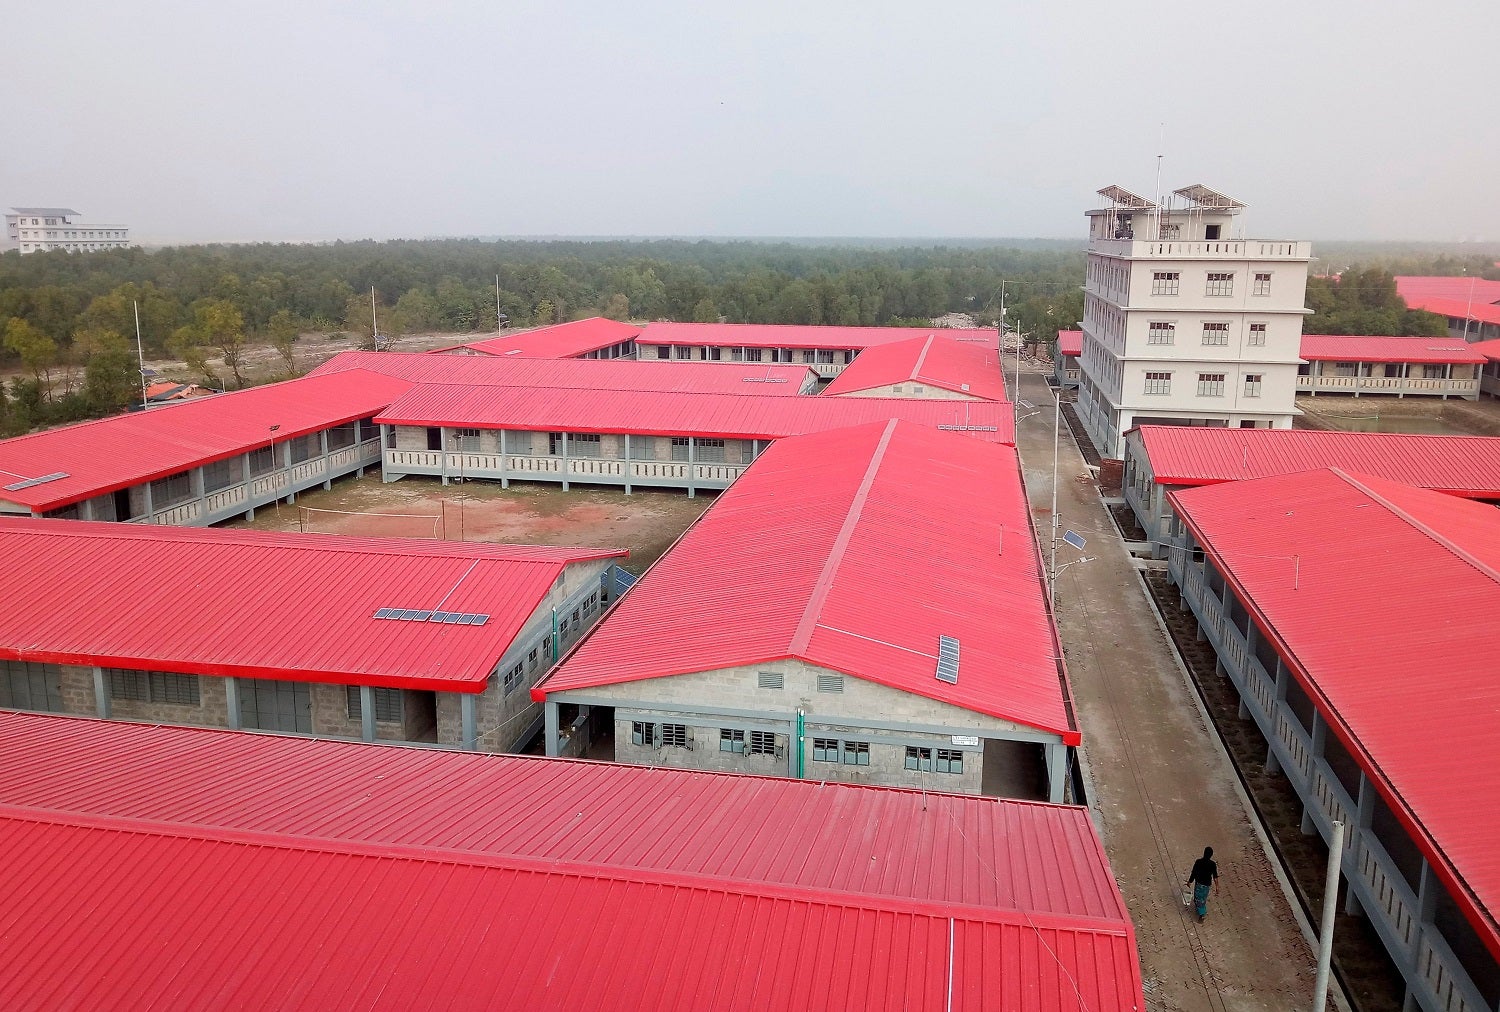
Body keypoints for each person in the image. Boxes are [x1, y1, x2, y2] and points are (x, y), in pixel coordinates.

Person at [1186, 846, 1219, 921]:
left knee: (1197, 899)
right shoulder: (1213, 864)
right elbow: (1215, 876)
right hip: (1207, 885)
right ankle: (1201, 910)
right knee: (1203, 899)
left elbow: (1193, 873)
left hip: (1199, 884)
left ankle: (1201, 914)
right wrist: (1217, 886)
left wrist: (1190, 882)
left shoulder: (1198, 862)